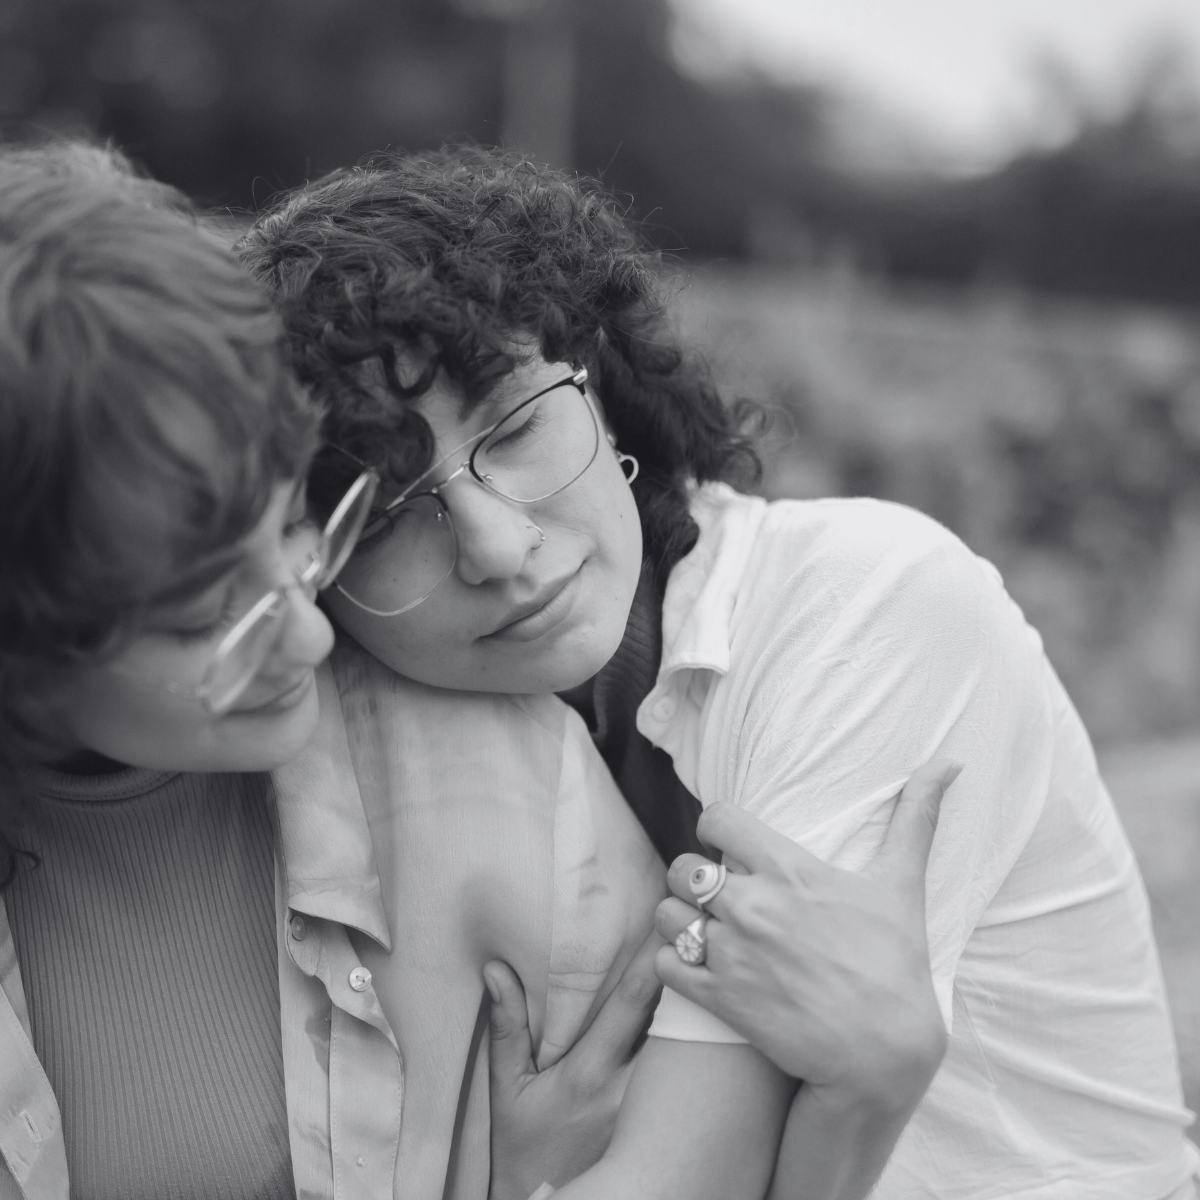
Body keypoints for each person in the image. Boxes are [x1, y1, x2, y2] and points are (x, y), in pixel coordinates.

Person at [0, 139, 956, 1200]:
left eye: (301, 529)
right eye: (207, 623)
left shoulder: (510, 777)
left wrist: (857, 1093)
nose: (309, 637)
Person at [243, 146, 1200, 1200]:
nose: (498, 548)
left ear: (599, 388)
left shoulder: (865, 603)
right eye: (387, 515)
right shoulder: (388, 740)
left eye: (516, 428)